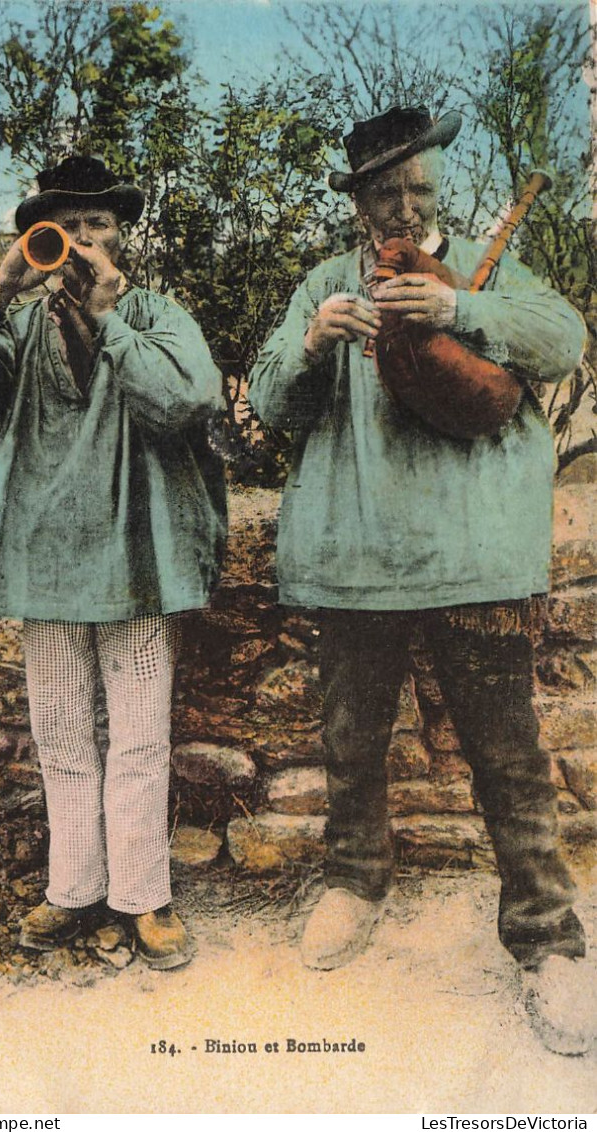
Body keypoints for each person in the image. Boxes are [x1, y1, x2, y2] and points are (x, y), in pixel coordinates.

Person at [248, 106, 593, 1054]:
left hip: (475, 555)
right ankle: (354, 884)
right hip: (354, 557)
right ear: (359, 201)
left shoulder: (488, 266)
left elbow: (562, 344)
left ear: (440, 188)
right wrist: (315, 340)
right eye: (387, 190)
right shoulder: (323, 283)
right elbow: (271, 402)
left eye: (421, 188)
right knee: (353, 742)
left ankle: (547, 937)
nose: (406, 205)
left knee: (508, 755)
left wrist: (459, 309)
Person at [0, 155, 226, 969]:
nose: (84, 241)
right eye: (65, 227)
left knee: (142, 740)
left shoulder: (154, 313)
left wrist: (111, 318)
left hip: (137, 556)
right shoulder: (9, 324)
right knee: (60, 737)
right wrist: (0, 285)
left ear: (122, 235)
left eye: (99, 225)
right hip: (44, 562)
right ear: (41, 237)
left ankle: (145, 898)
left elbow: (189, 395)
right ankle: (73, 890)